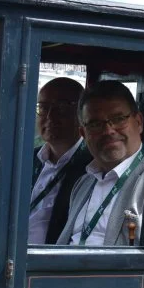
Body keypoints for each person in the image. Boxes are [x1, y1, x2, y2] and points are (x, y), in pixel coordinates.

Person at [57, 81, 144, 268]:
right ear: (83, 133)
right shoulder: (83, 183)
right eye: (95, 124)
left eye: (118, 119)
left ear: (139, 122)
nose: (108, 130)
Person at [29, 77, 92, 244]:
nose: (50, 116)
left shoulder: (92, 167)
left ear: (81, 113)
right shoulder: (25, 160)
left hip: (50, 264)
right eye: (43, 107)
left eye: (61, 107)